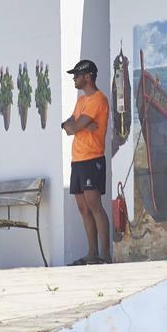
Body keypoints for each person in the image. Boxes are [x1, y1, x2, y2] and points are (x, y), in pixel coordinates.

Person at [61, 59, 110, 265]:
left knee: (94, 204)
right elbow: (68, 125)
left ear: (87, 77)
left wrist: (75, 125)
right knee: (83, 208)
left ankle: (105, 255)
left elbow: (73, 126)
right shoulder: (81, 101)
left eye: (77, 75)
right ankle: (92, 252)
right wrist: (74, 125)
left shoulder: (98, 99)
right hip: (78, 160)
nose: (74, 79)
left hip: (92, 158)